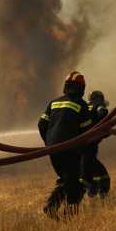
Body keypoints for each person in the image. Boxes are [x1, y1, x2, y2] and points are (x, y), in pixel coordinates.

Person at [38, 71, 92, 219]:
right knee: (76, 182)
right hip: (69, 149)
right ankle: (69, 215)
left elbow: (41, 124)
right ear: (81, 88)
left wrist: (49, 142)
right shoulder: (81, 105)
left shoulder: (54, 102)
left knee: (67, 178)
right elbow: (87, 132)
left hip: (53, 149)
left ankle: (52, 207)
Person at [80, 90, 111, 198]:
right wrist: (110, 131)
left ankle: (93, 196)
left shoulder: (85, 109)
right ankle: (98, 198)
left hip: (83, 148)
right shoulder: (99, 109)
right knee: (102, 178)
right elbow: (101, 115)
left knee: (90, 176)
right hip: (89, 148)